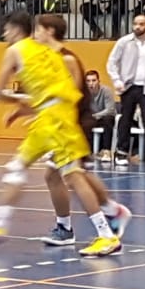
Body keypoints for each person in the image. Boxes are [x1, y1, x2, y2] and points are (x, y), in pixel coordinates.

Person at [0, 12, 129, 256]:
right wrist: (26, 108)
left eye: (6, 30)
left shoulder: (23, 51)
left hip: (61, 120)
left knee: (74, 176)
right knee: (21, 168)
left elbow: (0, 91)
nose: (4, 34)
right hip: (49, 117)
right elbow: (51, 93)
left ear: (16, 30)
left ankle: (107, 234)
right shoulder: (49, 53)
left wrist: (17, 102)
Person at [36, 15, 133, 249]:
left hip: (72, 124)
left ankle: (106, 234)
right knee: (55, 175)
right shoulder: (50, 59)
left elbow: (72, 96)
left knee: (73, 176)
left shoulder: (67, 59)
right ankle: (73, 225)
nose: (34, 35)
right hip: (62, 124)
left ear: (49, 31)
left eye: (37, 30)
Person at [105, 14, 145, 166]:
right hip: (128, 86)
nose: (137, 27)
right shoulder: (124, 42)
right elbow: (112, 62)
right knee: (126, 119)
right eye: (135, 24)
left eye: (141, 24)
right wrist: (117, 80)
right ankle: (121, 152)